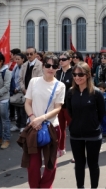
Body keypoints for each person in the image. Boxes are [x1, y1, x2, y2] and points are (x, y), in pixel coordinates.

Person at [23, 55, 65, 188]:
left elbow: (58, 108)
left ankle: (45, 187)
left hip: (52, 128)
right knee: (33, 165)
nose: (50, 68)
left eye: (54, 66)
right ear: (43, 66)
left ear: (58, 68)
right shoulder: (34, 81)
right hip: (34, 127)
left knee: (50, 164)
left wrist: (42, 118)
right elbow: (27, 102)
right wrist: (33, 118)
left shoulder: (60, 85)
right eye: (48, 65)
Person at [66, 62, 105, 189]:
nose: (77, 77)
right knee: (79, 164)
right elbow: (70, 111)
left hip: (93, 135)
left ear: (88, 75)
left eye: (81, 74)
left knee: (93, 164)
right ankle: (80, 187)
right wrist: (76, 124)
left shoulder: (96, 93)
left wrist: (93, 124)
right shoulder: (71, 92)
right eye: (75, 74)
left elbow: (101, 113)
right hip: (76, 135)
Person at [19, 47, 43, 133]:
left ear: (36, 54)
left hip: (35, 93)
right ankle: (26, 126)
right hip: (25, 92)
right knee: (25, 109)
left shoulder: (40, 65)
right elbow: (20, 79)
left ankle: (35, 126)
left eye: (31, 54)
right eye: (27, 54)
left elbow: (40, 79)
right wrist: (23, 89)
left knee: (35, 110)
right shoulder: (24, 65)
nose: (29, 56)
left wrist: (31, 91)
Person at [56, 51, 73, 157]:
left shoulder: (74, 72)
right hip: (58, 106)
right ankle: (61, 148)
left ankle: (77, 153)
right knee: (60, 129)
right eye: (60, 59)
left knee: (74, 129)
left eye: (64, 59)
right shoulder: (57, 73)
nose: (61, 61)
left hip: (70, 106)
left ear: (70, 60)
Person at [10, 53, 28, 132]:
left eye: (18, 59)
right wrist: (13, 88)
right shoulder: (16, 67)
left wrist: (19, 88)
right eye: (16, 59)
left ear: (23, 59)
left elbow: (23, 79)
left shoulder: (25, 67)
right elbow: (13, 77)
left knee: (23, 109)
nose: (16, 61)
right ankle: (18, 124)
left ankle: (23, 125)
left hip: (22, 90)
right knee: (17, 108)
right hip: (15, 90)